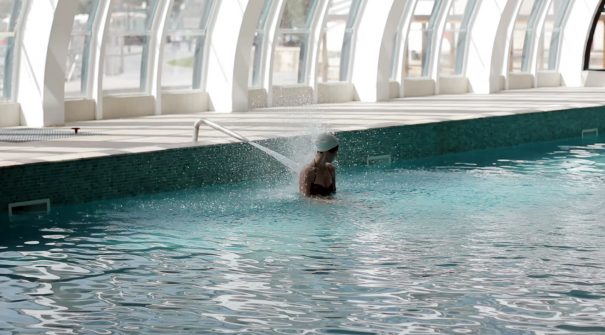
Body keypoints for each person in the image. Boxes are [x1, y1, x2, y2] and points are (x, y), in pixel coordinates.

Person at [299, 132, 339, 197]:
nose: (336, 155)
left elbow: (334, 194)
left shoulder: (331, 169)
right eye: (335, 152)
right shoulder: (308, 171)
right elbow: (304, 199)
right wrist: (327, 202)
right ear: (326, 152)